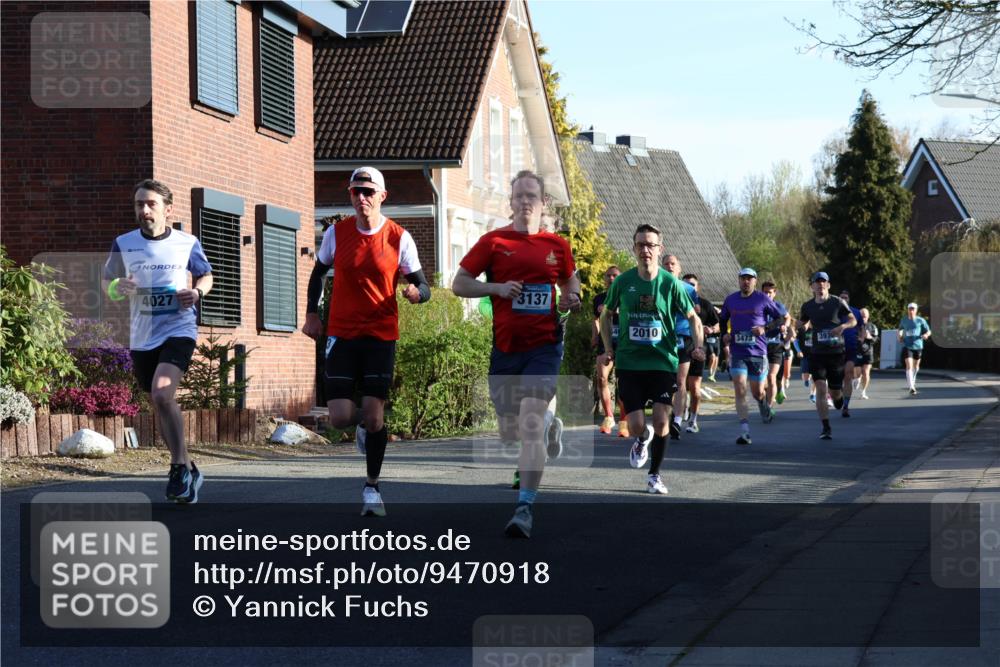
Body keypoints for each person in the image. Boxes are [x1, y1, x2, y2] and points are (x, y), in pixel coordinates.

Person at [453, 170, 581, 538]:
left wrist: (573, 295)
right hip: (505, 349)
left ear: (543, 204)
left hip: (544, 346)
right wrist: (497, 287)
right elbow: (459, 283)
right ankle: (548, 428)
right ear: (511, 203)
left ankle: (524, 508)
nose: (526, 202)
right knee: (510, 431)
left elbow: (568, 281)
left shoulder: (557, 245)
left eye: (532, 197)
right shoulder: (493, 242)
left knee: (527, 424)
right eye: (520, 196)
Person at [304, 167, 431, 518]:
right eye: (356, 191)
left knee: (375, 416)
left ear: (382, 196)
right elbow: (318, 275)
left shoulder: (398, 237)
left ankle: (372, 488)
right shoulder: (336, 233)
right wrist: (312, 314)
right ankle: (364, 427)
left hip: (380, 335)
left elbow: (425, 287)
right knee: (340, 416)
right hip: (342, 334)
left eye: (368, 192)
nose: (362, 197)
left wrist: (415, 293)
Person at [103, 179, 213, 503]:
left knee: (162, 392)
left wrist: (196, 292)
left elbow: (206, 274)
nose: (144, 210)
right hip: (143, 334)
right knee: (160, 403)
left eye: (150, 204)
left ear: (168, 209)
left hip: (179, 327)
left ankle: (178, 468)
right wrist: (116, 288)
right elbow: (108, 282)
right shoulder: (124, 243)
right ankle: (190, 468)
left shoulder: (185, 242)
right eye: (139, 204)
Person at [600, 225, 703, 493]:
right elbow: (605, 315)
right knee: (635, 426)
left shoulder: (671, 284)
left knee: (661, 420)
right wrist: (608, 348)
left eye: (650, 245)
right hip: (630, 363)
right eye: (640, 245)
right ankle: (642, 439)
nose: (645, 250)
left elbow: (693, 318)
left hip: (662, 362)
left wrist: (698, 346)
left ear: (660, 248)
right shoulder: (623, 282)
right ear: (634, 249)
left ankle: (654, 475)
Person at [719, 268, 784, 445]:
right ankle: (745, 431)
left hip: (758, 352)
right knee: (740, 388)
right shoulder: (731, 299)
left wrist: (765, 328)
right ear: (739, 280)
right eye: (743, 278)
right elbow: (722, 319)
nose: (746, 282)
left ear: (755, 281)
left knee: (757, 392)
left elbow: (780, 319)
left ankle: (764, 406)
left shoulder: (762, 299)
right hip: (738, 351)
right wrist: (724, 334)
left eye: (749, 279)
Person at [797, 271, 856, 439]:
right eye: (817, 282)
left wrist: (842, 327)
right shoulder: (808, 306)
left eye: (824, 282)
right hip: (817, 353)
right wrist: (791, 325)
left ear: (828, 285)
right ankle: (826, 427)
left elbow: (853, 320)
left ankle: (839, 400)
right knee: (821, 388)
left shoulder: (838, 302)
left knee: (835, 392)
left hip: (836, 353)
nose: (820, 285)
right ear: (812, 287)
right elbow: (802, 322)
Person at [662, 254, 698, 440]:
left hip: (683, 338)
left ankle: (676, 420)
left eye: (672, 264)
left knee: (681, 380)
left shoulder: (688, 289)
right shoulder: (656, 286)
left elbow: (695, 315)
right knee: (665, 380)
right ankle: (665, 414)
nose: (669, 266)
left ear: (679, 268)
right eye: (666, 263)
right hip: (662, 339)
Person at [592, 266, 626, 436]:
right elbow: (596, 320)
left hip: (624, 343)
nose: (611, 278)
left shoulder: (627, 296)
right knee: (602, 378)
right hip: (605, 342)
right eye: (608, 276)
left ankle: (624, 419)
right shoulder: (599, 298)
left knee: (623, 381)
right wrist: (594, 336)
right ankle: (609, 416)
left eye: (615, 275)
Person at [682, 273, 718, 433]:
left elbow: (718, 325)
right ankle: (677, 415)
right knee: (679, 386)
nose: (689, 287)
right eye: (686, 284)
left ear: (697, 288)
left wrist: (710, 329)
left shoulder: (705, 304)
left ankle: (693, 420)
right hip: (680, 347)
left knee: (695, 387)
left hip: (698, 349)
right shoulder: (676, 301)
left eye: (692, 285)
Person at [760, 281, 791, 420]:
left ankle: (769, 407)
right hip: (761, 347)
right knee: (763, 381)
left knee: (771, 377)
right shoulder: (758, 307)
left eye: (770, 292)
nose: (767, 295)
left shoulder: (778, 306)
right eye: (765, 292)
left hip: (776, 347)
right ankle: (769, 398)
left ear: (774, 293)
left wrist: (785, 325)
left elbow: (788, 317)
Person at [837, 290, 863, 418]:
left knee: (848, 374)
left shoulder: (856, 312)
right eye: (841, 298)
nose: (843, 299)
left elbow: (862, 329)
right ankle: (839, 395)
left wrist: (862, 341)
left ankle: (846, 406)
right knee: (837, 377)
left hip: (851, 348)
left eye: (845, 297)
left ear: (849, 299)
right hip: (835, 349)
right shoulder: (834, 312)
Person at [898, 302, 931, 395]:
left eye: (913, 309)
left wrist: (926, 335)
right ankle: (911, 387)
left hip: (918, 346)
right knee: (909, 365)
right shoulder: (904, 320)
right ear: (908, 310)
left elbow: (929, 331)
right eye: (910, 309)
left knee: (916, 367)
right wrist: (900, 336)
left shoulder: (920, 320)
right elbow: (900, 329)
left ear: (916, 310)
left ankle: (913, 379)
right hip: (907, 346)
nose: (911, 310)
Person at [855, 308, 879, 399]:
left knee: (865, 372)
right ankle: (857, 379)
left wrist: (869, 337)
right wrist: (858, 340)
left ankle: (863, 392)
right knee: (858, 373)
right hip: (857, 351)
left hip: (868, 352)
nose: (863, 316)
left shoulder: (872, 327)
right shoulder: (854, 326)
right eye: (861, 314)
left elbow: (876, 339)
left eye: (865, 315)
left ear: (868, 316)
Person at [706, 302, 722, 382]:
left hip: (717, 340)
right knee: (712, 357)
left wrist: (718, 310)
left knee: (716, 358)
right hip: (709, 340)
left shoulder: (719, 319)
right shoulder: (707, 318)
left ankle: (713, 375)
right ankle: (710, 372)